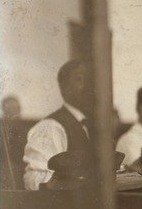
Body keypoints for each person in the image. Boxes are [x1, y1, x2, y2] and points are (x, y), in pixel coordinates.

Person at [23, 60, 92, 190]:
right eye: (79, 79)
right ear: (63, 87)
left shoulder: (92, 125)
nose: (87, 86)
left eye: (90, 80)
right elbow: (34, 180)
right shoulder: (51, 127)